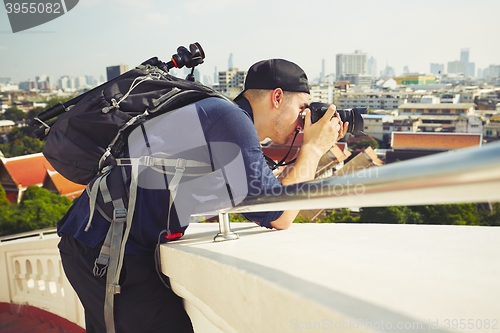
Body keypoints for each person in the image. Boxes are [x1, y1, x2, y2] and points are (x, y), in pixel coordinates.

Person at [57, 58, 347, 333]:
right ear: (277, 97)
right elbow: (279, 215)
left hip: (98, 242)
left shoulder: (222, 116)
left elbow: (262, 200)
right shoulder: (232, 121)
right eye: (303, 108)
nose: (305, 119)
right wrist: (312, 149)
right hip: (110, 250)